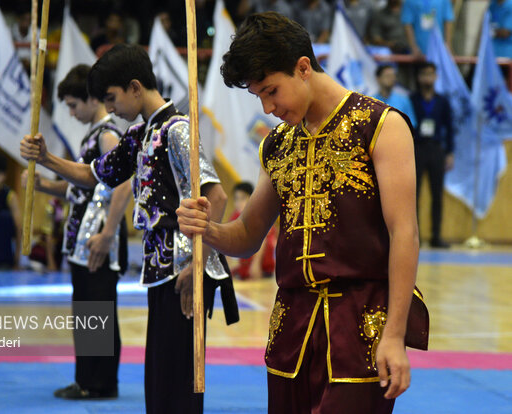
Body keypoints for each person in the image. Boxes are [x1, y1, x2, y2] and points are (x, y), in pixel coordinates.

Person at [176, 12, 428, 413]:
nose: (267, 107)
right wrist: (208, 229)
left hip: (361, 324)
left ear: (304, 67)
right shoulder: (277, 145)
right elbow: (247, 236)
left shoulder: (382, 126)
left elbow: (405, 235)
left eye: (272, 91)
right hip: (291, 329)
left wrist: (394, 335)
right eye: (258, 95)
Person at [20, 44, 239, 414]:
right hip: (159, 270)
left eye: (112, 98)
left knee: (179, 375)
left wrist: (197, 262)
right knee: (160, 373)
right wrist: (46, 159)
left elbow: (215, 198)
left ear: (135, 87)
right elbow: (94, 175)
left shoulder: (178, 129)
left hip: (184, 268)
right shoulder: (141, 135)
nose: (109, 110)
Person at [22, 64, 131, 400]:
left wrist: (109, 232)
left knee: (96, 309)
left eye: (73, 105)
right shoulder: (91, 135)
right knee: (88, 309)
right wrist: (42, 185)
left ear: (89, 98)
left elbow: (124, 183)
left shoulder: (106, 134)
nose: (71, 112)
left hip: (99, 236)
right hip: (84, 237)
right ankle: (88, 379)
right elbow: (80, 188)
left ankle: (99, 383)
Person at [409, 62, 453, 248]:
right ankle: (414, 237)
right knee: (413, 195)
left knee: (437, 195)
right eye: (424, 74)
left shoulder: (442, 101)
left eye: (431, 74)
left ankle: (436, 236)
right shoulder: (412, 99)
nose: (428, 78)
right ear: (419, 77)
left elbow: (449, 128)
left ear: (435, 77)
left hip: (436, 149)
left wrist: (450, 152)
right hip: (417, 148)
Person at [229, 182, 276, 280]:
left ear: (251, 199)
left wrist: (256, 265)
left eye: (242, 198)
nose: (239, 202)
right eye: (236, 199)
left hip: (262, 266)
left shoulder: (259, 214)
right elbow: (229, 240)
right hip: (245, 266)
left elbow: (264, 241)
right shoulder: (235, 216)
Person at [373, 64, 417, 129]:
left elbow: (412, 124)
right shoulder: (371, 101)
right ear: (378, 78)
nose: (391, 78)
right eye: (387, 76)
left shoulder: (404, 100)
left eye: (393, 76)